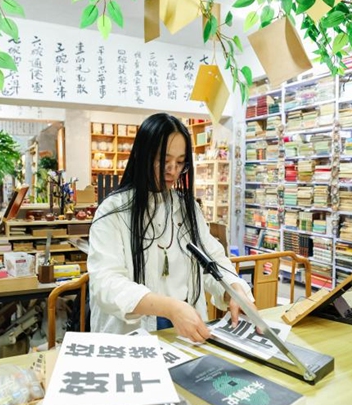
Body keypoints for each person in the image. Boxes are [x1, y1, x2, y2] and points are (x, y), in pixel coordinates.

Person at [87, 113, 257, 342]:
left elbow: (212, 258)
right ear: (141, 156)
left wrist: (234, 289)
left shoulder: (187, 209)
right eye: (163, 160)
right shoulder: (113, 211)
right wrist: (170, 308)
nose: (172, 170)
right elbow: (106, 284)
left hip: (184, 331)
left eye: (180, 162)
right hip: (130, 336)